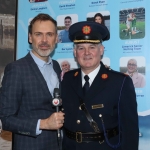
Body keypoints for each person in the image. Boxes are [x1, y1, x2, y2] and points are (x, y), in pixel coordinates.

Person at [61, 21, 139, 150]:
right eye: (81, 48)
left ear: (101, 50)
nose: (87, 53)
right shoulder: (68, 79)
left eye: (92, 47)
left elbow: (130, 130)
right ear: (75, 52)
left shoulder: (120, 82)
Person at [0, 13, 65, 150]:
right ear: (30, 37)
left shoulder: (56, 66)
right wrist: (44, 124)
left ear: (56, 39)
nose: (44, 40)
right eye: (38, 34)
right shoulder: (16, 69)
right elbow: (6, 120)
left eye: (49, 34)